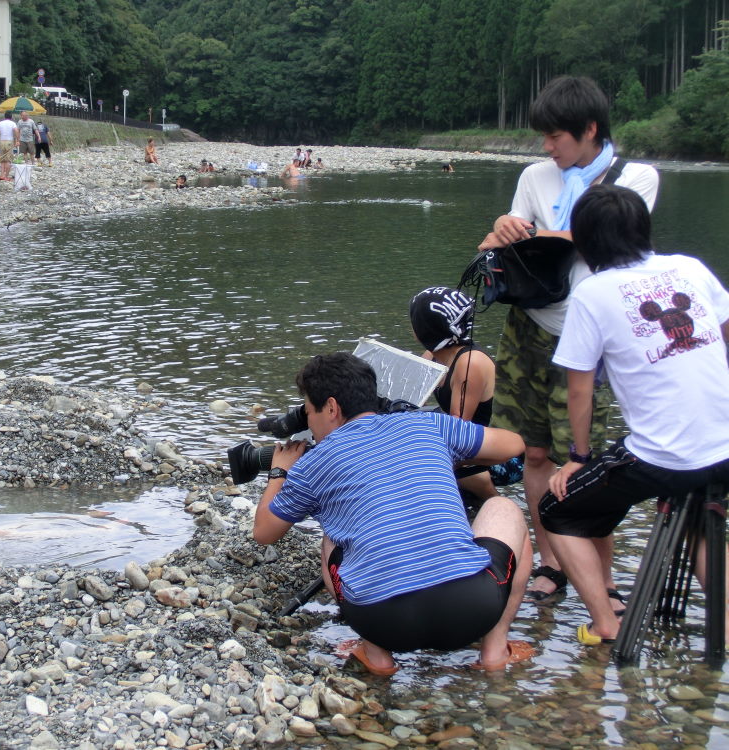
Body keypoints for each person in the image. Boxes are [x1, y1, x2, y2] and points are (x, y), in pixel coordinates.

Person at [477, 75, 660, 603]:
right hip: (529, 325)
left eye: (555, 136)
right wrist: (503, 227)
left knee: (590, 462)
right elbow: (498, 244)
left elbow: (602, 237)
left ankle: (603, 580)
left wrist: (531, 232)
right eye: (544, 135)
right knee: (534, 454)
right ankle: (552, 562)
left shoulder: (635, 177)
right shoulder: (535, 176)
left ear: (590, 129)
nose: (547, 147)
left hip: (591, 332)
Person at [252, 352, 533, 673]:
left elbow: (264, 532)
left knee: (333, 537)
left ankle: (378, 657)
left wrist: (279, 472)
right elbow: (514, 445)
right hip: (472, 611)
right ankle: (494, 652)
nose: (310, 425)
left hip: (382, 623)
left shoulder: (312, 465)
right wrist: (448, 454)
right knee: (503, 507)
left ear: (331, 407)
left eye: (308, 412)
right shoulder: (429, 424)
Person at [541, 184, 729, 645]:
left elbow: (579, 389)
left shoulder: (591, 293)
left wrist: (578, 457)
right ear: (643, 229)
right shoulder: (690, 267)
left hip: (663, 458)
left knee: (557, 510)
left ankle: (605, 623)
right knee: (696, 515)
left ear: (584, 242)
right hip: (724, 446)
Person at [409, 286, 499, 502]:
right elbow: (409, 398)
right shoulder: (432, 355)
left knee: (422, 465)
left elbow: (458, 431)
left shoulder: (470, 363)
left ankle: (490, 498)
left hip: (496, 451)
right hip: (464, 437)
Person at [0, 112, 19, 180]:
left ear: (4, 117)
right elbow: (16, 131)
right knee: (8, 160)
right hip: (9, 141)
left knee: (2, 159)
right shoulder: (12, 123)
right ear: (11, 117)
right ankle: (6, 176)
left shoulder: (0, 123)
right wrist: (17, 141)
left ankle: (2, 175)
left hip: (1, 141)